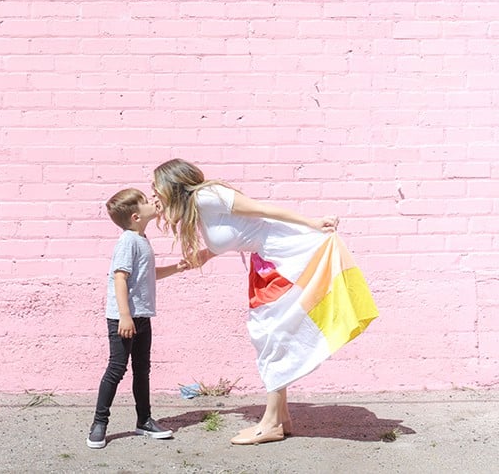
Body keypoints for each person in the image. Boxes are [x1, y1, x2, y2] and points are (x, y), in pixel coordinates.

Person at [152, 159, 378, 446]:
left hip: (287, 256)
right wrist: (207, 254)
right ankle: (281, 418)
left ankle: (271, 423)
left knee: (273, 333)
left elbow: (262, 210)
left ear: (173, 184)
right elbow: (240, 231)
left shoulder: (207, 195)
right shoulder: (199, 206)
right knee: (270, 333)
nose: (153, 192)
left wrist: (311, 222)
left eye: (155, 185)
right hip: (269, 261)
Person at [87, 188, 187, 450]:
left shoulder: (142, 238)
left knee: (142, 370)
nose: (152, 201)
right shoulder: (128, 241)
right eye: (145, 201)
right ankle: (99, 423)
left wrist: (177, 268)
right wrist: (124, 316)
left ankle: (144, 421)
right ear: (135, 216)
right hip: (124, 319)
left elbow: (146, 274)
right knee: (117, 369)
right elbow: (120, 277)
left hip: (141, 317)